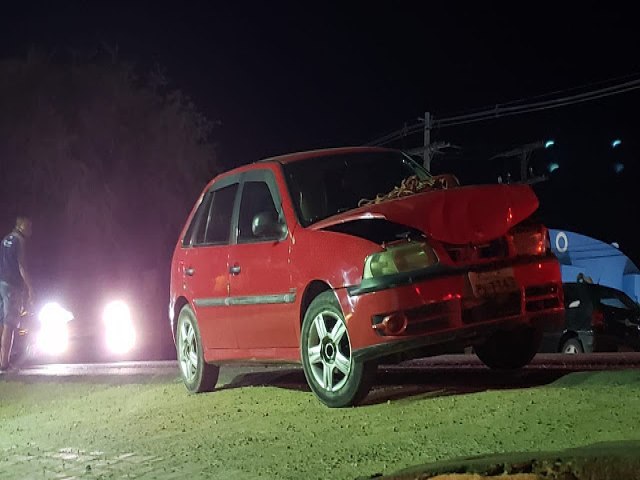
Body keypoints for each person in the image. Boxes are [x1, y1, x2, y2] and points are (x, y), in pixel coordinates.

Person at [0, 216, 33, 372]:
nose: (30, 230)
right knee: (10, 323)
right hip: (12, 285)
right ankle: (5, 364)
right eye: (28, 227)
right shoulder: (19, 240)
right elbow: (21, 265)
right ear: (21, 226)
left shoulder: (5, 239)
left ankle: (2, 360)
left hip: (1, 283)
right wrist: (30, 287)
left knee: (2, 322)